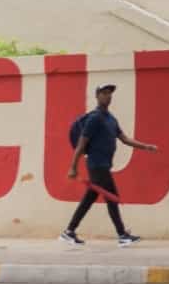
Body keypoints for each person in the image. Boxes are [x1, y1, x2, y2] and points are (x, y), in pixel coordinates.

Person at [61, 84, 158, 248]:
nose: (108, 96)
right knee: (112, 197)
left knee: (90, 199)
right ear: (97, 96)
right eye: (104, 93)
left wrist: (145, 146)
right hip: (96, 165)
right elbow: (81, 144)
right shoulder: (94, 118)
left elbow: (125, 139)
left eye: (110, 93)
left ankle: (69, 231)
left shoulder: (111, 119)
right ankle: (122, 235)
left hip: (104, 165)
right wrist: (73, 167)